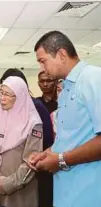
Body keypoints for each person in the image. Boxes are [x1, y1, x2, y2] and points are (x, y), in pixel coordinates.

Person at [29, 31, 101, 207]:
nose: (41, 68)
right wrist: (48, 153)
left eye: (42, 61)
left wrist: (60, 159)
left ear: (61, 55)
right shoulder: (66, 89)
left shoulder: (94, 79)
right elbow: (73, 136)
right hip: (66, 192)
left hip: (88, 194)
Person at [0, 76, 43, 207]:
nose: (2, 97)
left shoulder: (33, 123)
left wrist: (9, 183)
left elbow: (32, 161)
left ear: (20, 97)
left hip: (18, 193)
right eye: (1, 92)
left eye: (8, 94)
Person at [0, 68, 54, 207]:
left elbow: (45, 142)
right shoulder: (5, 107)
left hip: (31, 171)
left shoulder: (35, 107)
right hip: (8, 173)